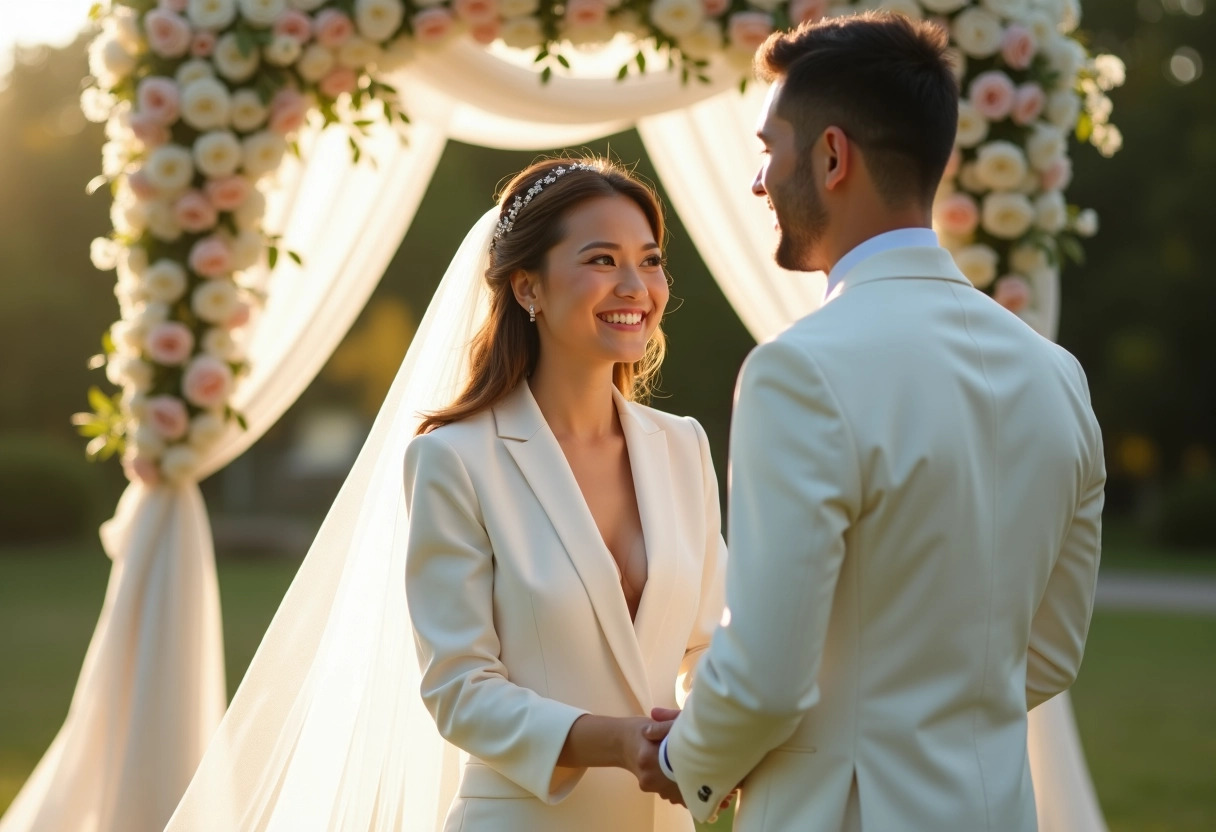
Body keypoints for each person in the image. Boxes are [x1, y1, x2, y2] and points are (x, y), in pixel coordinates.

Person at [651, 13, 1106, 832]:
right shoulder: (1057, 376)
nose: (758, 181)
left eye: (769, 148)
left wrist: (683, 757)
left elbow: (765, 678)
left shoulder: (800, 369)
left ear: (831, 157)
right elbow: (1050, 653)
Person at [402, 158, 727, 832]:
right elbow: (458, 689)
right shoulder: (454, 460)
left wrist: (716, 737)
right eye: (602, 260)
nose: (636, 286)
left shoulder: (683, 446)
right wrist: (615, 742)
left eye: (650, 260)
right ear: (528, 287)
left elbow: (708, 645)